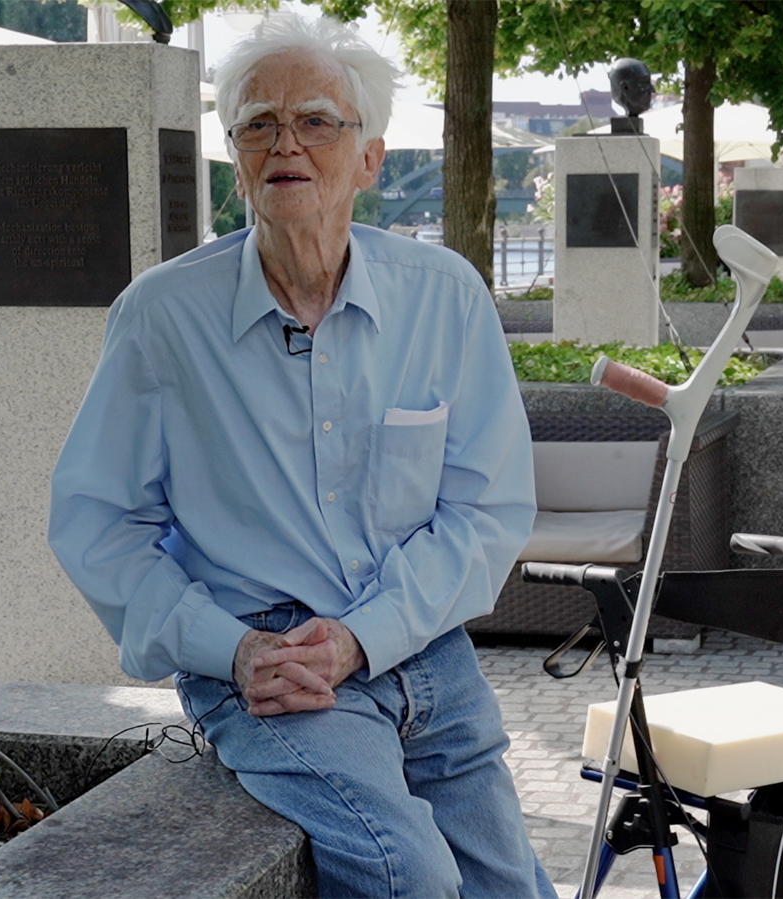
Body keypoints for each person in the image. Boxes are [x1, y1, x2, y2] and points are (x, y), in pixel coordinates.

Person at [48, 15, 555, 899]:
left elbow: (486, 510)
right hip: (270, 664)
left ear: (370, 158)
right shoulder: (163, 317)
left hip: (424, 646)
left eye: (317, 120)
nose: (286, 142)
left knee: (515, 890)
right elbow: (96, 525)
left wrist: (366, 636)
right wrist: (230, 647)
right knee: (410, 880)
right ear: (236, 156)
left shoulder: (447, 298)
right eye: (257, 123)